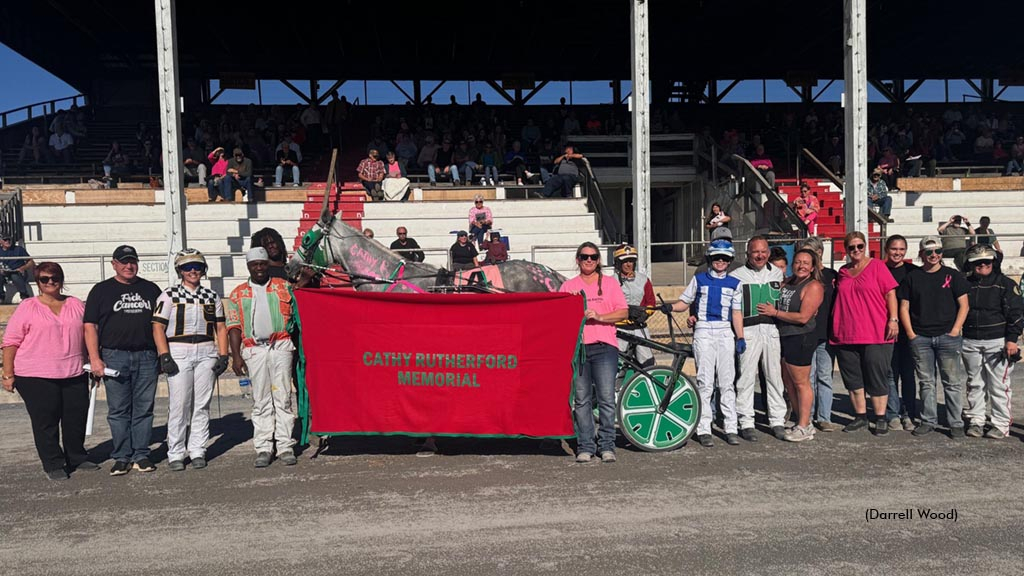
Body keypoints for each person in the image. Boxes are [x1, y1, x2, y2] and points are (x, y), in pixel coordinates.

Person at [2, 263, 95, 480]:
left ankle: (76, 456)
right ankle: (53, 462)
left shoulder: (75, 304)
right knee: (46, 420)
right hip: (35, 374)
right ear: (38, 282)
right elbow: (11, 342)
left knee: (75, 417)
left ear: (62, 280)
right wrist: (8, 374)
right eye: (45, 279)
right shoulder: (27, 306)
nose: (50, 282)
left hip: (73, 371)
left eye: (55, 278)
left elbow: (89, 333)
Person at [84, 245, 162, 476]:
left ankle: (141, 454)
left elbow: (161, 324)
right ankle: (121, 456)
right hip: (113, 356)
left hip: (147, 355)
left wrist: (161, 354)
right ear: (114, 264)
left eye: (133, 261)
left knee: (144, 409)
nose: (129, 266)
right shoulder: (101, 290)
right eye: (124, 262)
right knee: (118, 410)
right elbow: (90, 326)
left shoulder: (150, 289)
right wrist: (95, 359)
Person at [152, 250, 230, 471]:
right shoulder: (168, 295)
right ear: (180, 270)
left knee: (202, 404)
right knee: (180, 404)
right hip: (178, 350)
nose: (193, 270)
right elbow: (157, 326)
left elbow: (221, 328)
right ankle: (175, 452)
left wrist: (223, 355)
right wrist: (164, 354)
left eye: (197, 266)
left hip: (206, 350)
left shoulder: (211, 296)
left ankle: (198, 449)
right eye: (187, 267)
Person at [662, 239, 744, 447]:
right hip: (704, 330)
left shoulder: (735, 283)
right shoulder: (698, 279)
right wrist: (670, 308)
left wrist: (740, 336)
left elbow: (736, 313)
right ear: (710, 258)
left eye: (724, 258)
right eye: (717, 257)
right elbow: (684, 302)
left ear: (730, 260)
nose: (720, 261)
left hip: (725, 331)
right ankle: (704, 428)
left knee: (727, 382)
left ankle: (731, 428)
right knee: (705, 382)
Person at [227, 248, 298, 468]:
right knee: (261, 400)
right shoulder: (237, 293)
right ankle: (264, 446)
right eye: (254, 264)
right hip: (254, 348)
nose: (259, 268)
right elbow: (234, 327)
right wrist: (236, 356)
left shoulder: (283, 286)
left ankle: (285, 445)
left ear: (267, 264)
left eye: (262, 264)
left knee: (283, 397)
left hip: (281, 344)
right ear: (248, 266)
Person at [560, 243, 628, 462]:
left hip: (604, 347)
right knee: (581, 400)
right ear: (578, 259)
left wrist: (598, 316)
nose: (588, 260)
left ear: (598, 260)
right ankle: (586, 445)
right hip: (579, 349)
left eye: (593, 257)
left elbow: (623, 312)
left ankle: (607, 445)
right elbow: (558, 316)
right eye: (584, 256)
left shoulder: (610, 284)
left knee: (607, 398)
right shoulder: (568, 286)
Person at [898, 236, 969, 438]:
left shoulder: (952, 275)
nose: (934, 255)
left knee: (952, 382)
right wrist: (911, 333)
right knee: (926, 382)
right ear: (922, 254)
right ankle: (928, 420)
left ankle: (955, 422)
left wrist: (955, 329)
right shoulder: (913, 277)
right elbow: (904, 306)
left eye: (937, 251)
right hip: (921, 337)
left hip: (948, 336)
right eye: (929, 252)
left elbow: (964, 304)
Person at [830, 231, 898, 435]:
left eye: (860, 246)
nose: (856, 250)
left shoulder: (878, 266)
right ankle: (860, 416)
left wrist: (893, 319)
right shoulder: (842, 271)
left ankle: (880, 417)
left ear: (866, 246)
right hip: (846, 332)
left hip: (875, 332)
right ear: (846, 249)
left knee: (877, 376)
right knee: (853, 378)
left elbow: (890, 293)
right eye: (852, 247)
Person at [758, 249, 824, 442]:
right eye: (798, 262)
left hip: (801, 337)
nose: (801, 266)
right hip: (784, 336)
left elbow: (804, 317)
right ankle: (800, 420)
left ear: (812, 267)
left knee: (801, 382)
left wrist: (774, 313)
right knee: (788, 381)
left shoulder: (813, 286)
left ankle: (805, 424)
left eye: (805, 263)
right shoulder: (787, 282)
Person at [961, 244, 1022, 439]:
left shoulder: (1005, 283)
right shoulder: (964, 283)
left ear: (994, 262)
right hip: (970, 340)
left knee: (999, 385)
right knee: (975, 383)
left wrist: (1012, 340)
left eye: (987, 261)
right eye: (977, 262)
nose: (982, 265)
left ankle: (1000, 423)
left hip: (998, 341)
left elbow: (1017, 314)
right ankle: (976, 420)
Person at [730, 236, 785, 441]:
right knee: (746, 377)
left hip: (771, 330)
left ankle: (777, 420)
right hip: (749, 330)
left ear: (768, 253)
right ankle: (746, 421)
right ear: (748, 254)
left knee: (774, 376)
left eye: (763, 251)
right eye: (755, 252)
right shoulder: (737, 275)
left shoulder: (777, 274)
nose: (760, 255)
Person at [796, 237, 841, 432]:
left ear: (820, 252)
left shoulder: (832, 275)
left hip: (825, 333)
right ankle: (807, 414)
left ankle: (824, 416)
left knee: (824, 376)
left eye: (810, 252)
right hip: (805, 333)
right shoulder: (800, 278)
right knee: (808, 377)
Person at [882, 235, 918, 431]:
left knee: (908, 374)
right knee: (890, 374)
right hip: (886, 329)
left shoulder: (913, 272)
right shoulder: (879, 269)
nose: (898, 253)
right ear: (887, 249)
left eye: (901, 249)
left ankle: (909, 413)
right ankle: (892, 413)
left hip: (909, 331)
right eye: (894, 249)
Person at [613, 244, 657, 368]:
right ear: (617, 263)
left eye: (631, 261)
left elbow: (651, 302)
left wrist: (645, 313)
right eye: (625, 261)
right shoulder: (610, 281)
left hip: (639, 327)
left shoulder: (644, 280)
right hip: (619, 329)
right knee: (617, 363)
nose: (628, 264)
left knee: (647, 362)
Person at [0, 234, 35, 304]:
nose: (7, 241)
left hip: (18, 272)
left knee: (15, 276)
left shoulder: (19, 249)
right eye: (5, 240)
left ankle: (24, 296)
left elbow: (31, 262)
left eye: (9, 239)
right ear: (0, 241)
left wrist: (23, 268)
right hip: (4, 273)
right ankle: (1, 297)